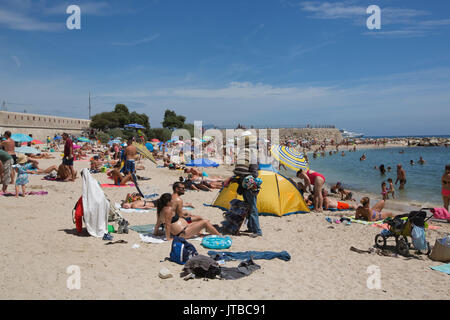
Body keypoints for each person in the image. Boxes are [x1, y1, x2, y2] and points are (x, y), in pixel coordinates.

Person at [223, 135, 262, 236]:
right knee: (250, 207)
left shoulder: (244, 155)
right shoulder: (251, 155)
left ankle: (256, 230)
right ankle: (252, 228)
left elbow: (244, 171)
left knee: (251, 207)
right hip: (248, 185)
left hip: (245, 184)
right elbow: (254, 173)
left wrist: (243, 177)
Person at [153, 193, 220, 240]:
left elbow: (158, 223)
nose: (173, 201)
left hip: (184, 229)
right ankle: (219, 236)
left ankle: (206, 234)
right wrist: (168, 238)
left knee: (201, 221)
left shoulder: (161, 209)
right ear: (168, 202)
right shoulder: (168, 210)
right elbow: (167, 225)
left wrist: (155, 233)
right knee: (205, 222)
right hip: (183, 233)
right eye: (171, 200)